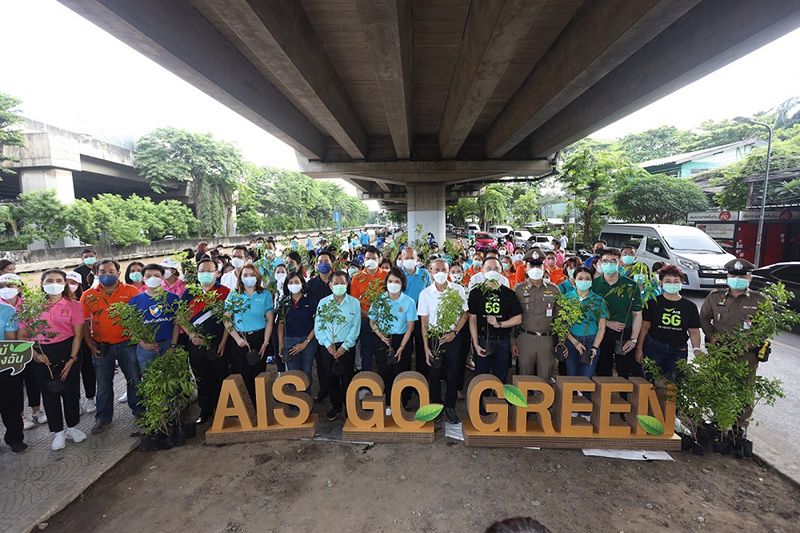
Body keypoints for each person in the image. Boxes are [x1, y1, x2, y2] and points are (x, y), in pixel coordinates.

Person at [699, 259, 767, 430]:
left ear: (750, 277)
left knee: (745, 389)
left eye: (742, 276)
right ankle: (718, 420)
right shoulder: (715, 297)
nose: (737, 278)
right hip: (720, 351)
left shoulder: (759, 300)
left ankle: (740, 426)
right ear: (728, 276)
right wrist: (711, 335)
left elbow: (767, 326)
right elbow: (704, 318)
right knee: (718, 385)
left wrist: (751, 341)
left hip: (747, 354)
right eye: (733, 275)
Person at [24, 269, 87, 451]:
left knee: (71, 391)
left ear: (65, 283)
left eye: (59, 280)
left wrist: (72, 359)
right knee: (50, 393)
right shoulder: (32, 306)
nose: (54, 283)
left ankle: (72, 427)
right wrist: (35, 355)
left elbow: (78, 335)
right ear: (42, 283)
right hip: (42, 353)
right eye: (49, 280)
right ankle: (58, 432)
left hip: (68, 349)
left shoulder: (74, 305)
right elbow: (25, 335)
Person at [79, 259, 142, 434]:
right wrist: (89, 343)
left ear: (118, 273)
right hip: (101, 346)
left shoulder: (131, 291)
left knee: (134, 379)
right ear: (96, 274)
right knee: (103, 384)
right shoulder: (88, 295)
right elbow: (84, 322)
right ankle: (103, 418)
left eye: (111, 271)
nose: (107, 274)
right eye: (103, 271)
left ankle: (139, 410)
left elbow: (139, 317)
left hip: (128, 344)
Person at [180, 258, 230, 424]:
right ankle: (205, 410)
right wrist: (191, 334)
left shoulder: (225, 292)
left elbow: (230, 321)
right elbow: (180, 317)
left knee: (220, 376)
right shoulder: (189, 292)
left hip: (218, 343)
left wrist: (223, 342)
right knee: (201, 377)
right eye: (202, 271)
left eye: (209, 271)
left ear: (217, 273)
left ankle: (223, 410)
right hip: (195, 344)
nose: (205, 274)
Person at [418, 259, 469, 424]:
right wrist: (426, 347)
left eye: (443, 269)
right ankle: (436, 406)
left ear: (448, 271)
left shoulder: (458, 289)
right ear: (431, 272)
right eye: (436, 269)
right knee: (434, 374)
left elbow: (465, 314)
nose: (440, 272)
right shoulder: (425, 293)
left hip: (452, 337)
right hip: (434, 337)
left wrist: (454, 332)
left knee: (453, 373)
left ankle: (450, 406)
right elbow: (424, 322)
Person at [636, 265, 701, 380]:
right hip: (654, 348)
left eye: (676, 281)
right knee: (650, 381)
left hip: (678, 350)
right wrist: (639, 349)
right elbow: (645, 327)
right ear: (661, 283)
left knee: (674, 386)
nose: (672, 284)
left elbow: (694, 331)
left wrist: (696, 349)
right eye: (668, 281)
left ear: (682, 282)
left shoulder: (690, 306)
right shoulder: (652, 303)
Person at [0, 273, 48, 430]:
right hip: (10, 354)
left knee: (32, 380)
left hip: (29, 347)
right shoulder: (4, 308)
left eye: (10, 286)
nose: (6, 290)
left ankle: (36, 411)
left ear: (19, 288)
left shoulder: (28, 304)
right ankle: (20, 415)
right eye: (2, 287)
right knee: (15, 385)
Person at [468, 257, 523, 389]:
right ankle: (481, 407)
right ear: (482, 271)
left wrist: (499, 324)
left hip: (502, 341)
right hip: (482, 340)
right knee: (481, 378)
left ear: (501, 271)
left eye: (496, 268)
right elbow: (472, 319)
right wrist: (475, 343)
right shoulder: (475, 293)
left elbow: (518, 318)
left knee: (500, 377)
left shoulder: (509, 294)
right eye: (488, 268)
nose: (492, 271)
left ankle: (498, 406)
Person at [222, 265, 274, 404]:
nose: (249, 277)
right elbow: (226, 319)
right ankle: (250, 405)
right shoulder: (234, 294)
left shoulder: (265, 294)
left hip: (259, 338)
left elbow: (269, 319)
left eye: (252, 274)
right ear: (240, 278)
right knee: (244, 373)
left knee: (259, 373)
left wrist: (266, 342)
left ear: (257, 277)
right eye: (245, 275)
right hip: (240, 339)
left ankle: (261, 405)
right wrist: (237, 338)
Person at [314, 270, 361, 421]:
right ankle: (336, 405)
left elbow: (355, 327)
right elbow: (319, 327)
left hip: (346, 347)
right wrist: (328, 345)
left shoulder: (354, 303)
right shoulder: (324, 303)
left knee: (347, 378)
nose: (339, 286)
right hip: (328, 347)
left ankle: (349, 407)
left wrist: (344, 347)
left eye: (342, 283)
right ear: (330, 285)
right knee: (331, 378)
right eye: (336, 283)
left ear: (347, 284)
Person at [369, 268, 417, 412]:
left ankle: (402, 401)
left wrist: (401, 347)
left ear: (402, 284)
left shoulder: (408, 301)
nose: (393, 284)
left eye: (397, 281)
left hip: (401, 339)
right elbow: (372, 321)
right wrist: (380, 334)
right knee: (384, 371)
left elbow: (410, 326)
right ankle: (389, 402)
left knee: (401, 371)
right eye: (390, 281)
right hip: (383, 339)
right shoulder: (380, 299)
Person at [592, 248, 643, 379]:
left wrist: (633, 339)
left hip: (625, 335)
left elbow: (637, 314)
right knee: (603, 371)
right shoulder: (594, 285)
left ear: (619, 262)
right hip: (601, 333)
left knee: (624, 372)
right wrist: (607, 323)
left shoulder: (631, 285)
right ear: (600, 263)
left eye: (613, 261)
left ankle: (624, 398)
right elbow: (590, 312)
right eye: (605, 261)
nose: (609, 264)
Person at [512, 257, 559, 381]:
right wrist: (513, 342)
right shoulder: (518, 290)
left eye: (539, 266)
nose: (535, 269)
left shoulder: (554, 289)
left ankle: (544, 400)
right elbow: (512, 317)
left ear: (544, 268)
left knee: (545, 377)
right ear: (525, 269)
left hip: (547, 339)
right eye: (532, 266)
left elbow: (559, 317)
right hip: (525, 338)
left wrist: (561, 342)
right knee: (524, 378)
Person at [128, 264, 180, 373]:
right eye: (148, 276)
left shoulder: (173, 298)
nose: (152, 278)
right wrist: (143, 344)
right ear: (143, 279)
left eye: (156, 275)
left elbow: (177, 324)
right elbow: (132, 327)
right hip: (145, 348)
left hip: (168, 344)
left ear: (162, 278)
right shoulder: (134, 301)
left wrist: (173, 346)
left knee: (173, 381)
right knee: (149, 380)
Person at [564, 267, 608, 378]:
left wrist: (594, 348)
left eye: (587, 279)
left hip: (591, 341)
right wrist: (575, 343)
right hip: (571, 341)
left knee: (587, 378)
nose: (584, 281)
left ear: (592, 281)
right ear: (574, 280)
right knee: (571, 377)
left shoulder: (598, 300)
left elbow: (601, 328)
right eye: (580, 278)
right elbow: (562, 325)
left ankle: (586, 396)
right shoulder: (567, 298)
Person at [350, 246, 387, 372]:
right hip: (364, 319)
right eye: (367, 258)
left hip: (383, 320)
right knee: (366, 351)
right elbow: (354, 302)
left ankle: (384, 382)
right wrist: (366, 314)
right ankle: (367, 384)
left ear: (379, 259)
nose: (370, 260)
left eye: (373, 258)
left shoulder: (386, 276)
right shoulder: (357, 278)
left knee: (382, 351)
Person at [0, 279, 27, 453]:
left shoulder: (7, 311)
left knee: (9, 402)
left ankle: (15, 438)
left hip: (4, 362)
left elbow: (12, 338)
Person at [278, 271, 318, 385]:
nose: (294, 284)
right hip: (289, 341)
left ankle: (306, 399)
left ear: (302, 284)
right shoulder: (284, 302)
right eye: (290, 282)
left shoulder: (310, 300)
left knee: (306, 372)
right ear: (286, 285)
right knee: (293, 374)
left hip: (308, 341)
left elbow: (317, 324)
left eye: (296, 282)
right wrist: (281, 345)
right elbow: (281, 325)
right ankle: (294, 401)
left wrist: (305, 343)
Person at [399, 246, 432, 376]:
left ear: (417, 258)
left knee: (422, 348)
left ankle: (422, 379)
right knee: (405, 349)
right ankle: (404, 383)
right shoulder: (397, 274)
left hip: (421, 316)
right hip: (404, 318)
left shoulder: (424, 274)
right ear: (401, 258)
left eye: (412, 257)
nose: (409, 260)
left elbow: (430, 293)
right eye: (406, 258)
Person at [66, 271, 96, 414]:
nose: (70, 285)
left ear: (78, 285)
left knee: (88, 370)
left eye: (73, 283)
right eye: (67, 282)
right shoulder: (58, 301)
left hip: (85, 339)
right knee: (72, 374)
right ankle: (75, 401)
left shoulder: (84, 299)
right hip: (67, 342)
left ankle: (90, 398)